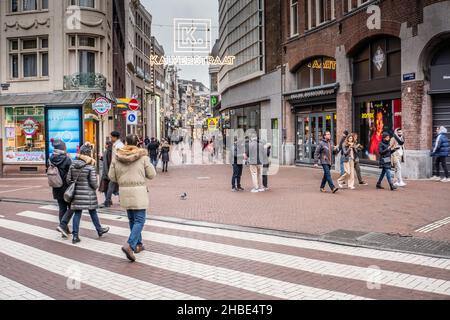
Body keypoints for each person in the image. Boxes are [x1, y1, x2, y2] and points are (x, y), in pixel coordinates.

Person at [109, 134, 157, 262]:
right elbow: (152, 174)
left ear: (125, 143)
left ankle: (138, 245)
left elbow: (112, 177)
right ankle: (130, 245)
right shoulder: (143, 158)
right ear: (137, 143)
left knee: (132, 219)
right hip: (139, 192)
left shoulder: (117, 157)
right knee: (140, 220)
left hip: (124, 192)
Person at [65, 143, 109, 244]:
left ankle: (75, 236)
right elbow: (94, 184)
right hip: (88, 195)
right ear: (89, 154)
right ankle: (99, 229)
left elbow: (68, 180)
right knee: (93, 211)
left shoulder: (73, 164)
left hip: (76, 194)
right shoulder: (90, 167)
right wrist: (93, 186)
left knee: (77, 213)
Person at [49, 139, 72, 237]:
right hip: (67, 187)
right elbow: (71, 173)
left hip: (56, 186)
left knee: (62, 208)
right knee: (72, 207)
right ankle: (63, 226)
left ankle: (64, 231)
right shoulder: (66, 158)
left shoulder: (51, 158)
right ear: (63, 148)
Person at [104, 131, 124, 207]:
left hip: (117, 168)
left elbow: (119, 157)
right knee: (114, 184)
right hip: (115, 168)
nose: (111, 138)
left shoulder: (119, 146)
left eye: (111, 137)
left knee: (113, 184)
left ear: (115, 137)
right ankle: (109, 200)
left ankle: (108, 200)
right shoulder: (115, 145)